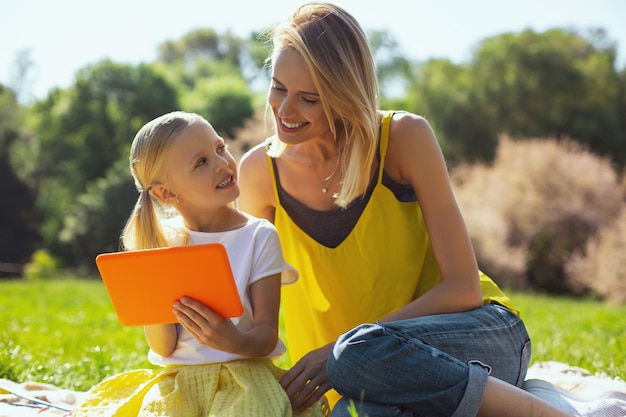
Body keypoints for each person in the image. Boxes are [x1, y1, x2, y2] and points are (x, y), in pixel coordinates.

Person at [237, 3, 576, 417]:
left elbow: (463, 288)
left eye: (309, 98)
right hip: (354, 380)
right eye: (278, 88)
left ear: (345, 95)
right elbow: (251, 310)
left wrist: (347, 349)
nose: (285, 111)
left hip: (479, 336)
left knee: (356, 353)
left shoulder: (403, 138)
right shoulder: (259, 174)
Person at [72, 111, 327, 417]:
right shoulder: (163, 244)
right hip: (180, 384)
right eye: (201, 162)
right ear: (166, 193)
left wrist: (231, 339)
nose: (222, 163)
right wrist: (153, 295)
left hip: (244, 378)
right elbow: (165, 347)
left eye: (220, 148)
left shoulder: (258, 236)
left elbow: (266, 336)